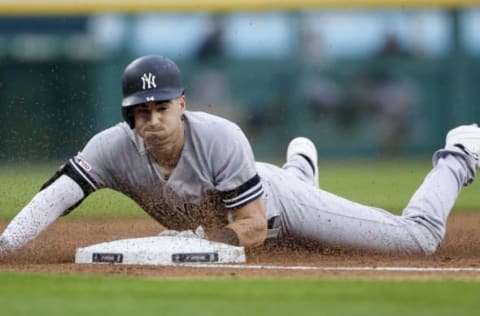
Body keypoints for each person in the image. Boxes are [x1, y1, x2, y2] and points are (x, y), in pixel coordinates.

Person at [0, 55, 479, 256]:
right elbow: (56, 197)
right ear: (127, 115)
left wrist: (200, 248)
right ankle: (302, 169)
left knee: (416, 242)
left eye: (161, 107)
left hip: (273, 206)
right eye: (139, 111)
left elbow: (251, 224)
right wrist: (5, 244)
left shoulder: (221, 137)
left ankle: (459, 155)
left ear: (182, 104)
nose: (152, 119)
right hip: (245, 211)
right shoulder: (110, 148)